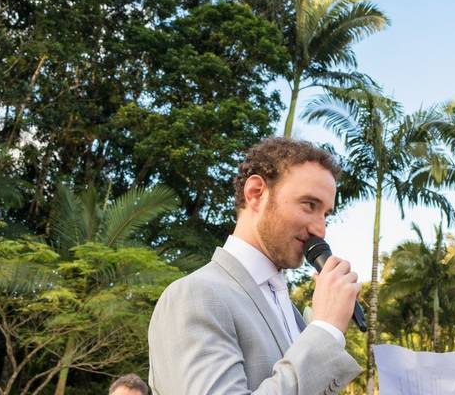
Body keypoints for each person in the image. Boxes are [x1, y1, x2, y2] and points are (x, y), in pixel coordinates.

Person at [148, 138, 362, 394]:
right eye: (309, 205)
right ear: (256, 193)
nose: (320, 229)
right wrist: (326, 329)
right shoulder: (195, 295)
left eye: (325, 214)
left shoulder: (290, 311)